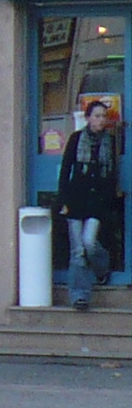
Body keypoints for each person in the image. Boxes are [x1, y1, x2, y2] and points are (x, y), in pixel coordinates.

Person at [61, 96, 123, 311]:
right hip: (76, 199)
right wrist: (63, 199)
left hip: (97, 201)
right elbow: (66, 169)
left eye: (103, 116)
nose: (101, 120)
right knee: (77, 250)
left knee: (89, 242)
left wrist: (110, 201)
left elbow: (112, 173)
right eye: (97, 116)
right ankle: (80, 296)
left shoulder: (109, 141)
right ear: (88, 118)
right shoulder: (76, 139)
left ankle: (102, 267)